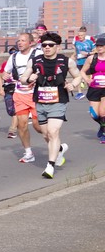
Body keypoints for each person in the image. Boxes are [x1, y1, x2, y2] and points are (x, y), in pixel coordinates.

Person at [24, 33, 80, 179]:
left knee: (53, 132)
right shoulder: (35, 61)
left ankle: (50, 166)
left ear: (58, 47)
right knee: (46, 135)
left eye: (50, 45)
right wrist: (29, 78)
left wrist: (73, 84)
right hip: (41, 101)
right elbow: (23, 78)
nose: (47, 47)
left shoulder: (66, 61)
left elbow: (78, 76)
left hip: (58, 100)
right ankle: (59, 149)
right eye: (44, 45)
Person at [3, 32, 41, 164]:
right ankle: (28, 152)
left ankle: (55, 146)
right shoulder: (14, 56)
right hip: (20, 94)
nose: (20, 43)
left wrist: (36, 77)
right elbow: (5, 72)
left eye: (23, 40)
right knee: (21, 125)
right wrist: (5, 76)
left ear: (31, 43)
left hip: (36, 94)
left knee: (38, 126)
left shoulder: (38, 54)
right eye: (18, 40)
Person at [81, 38, 105, 142]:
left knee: (103, 113)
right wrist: (87, 79)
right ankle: (103, 126)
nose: (99, 48)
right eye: (97, 46)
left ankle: (104, 133)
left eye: (101, 46)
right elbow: (82, 71)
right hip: (94, 88)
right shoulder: (91, 58)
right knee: (94, 115)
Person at [73, 27, 94, 99]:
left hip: (87, 62)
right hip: (79, 62)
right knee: (78, 77)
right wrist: (72, 59)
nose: (80, 37)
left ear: (85, 35)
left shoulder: (90, 42)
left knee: (88, 77)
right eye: (79, 35)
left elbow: (95, 51)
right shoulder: (76, 42)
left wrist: (87, 53)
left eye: (81, 35)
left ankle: (90, 91)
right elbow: (75, 52)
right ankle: (80, 93)